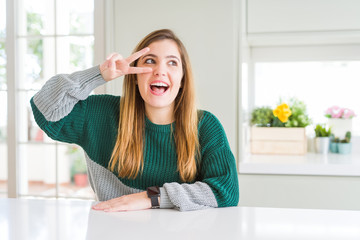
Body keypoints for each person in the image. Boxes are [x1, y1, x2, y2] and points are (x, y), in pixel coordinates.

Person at [31, 29, 239, 212]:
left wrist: (150, 198)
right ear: (134, 75)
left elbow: (226, 191)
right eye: (150, 61)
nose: (160, 70)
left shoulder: (205, 125)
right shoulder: (101, 114)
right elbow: (44, 109)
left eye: (172, 62)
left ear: (183, 79)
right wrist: (99, 75)